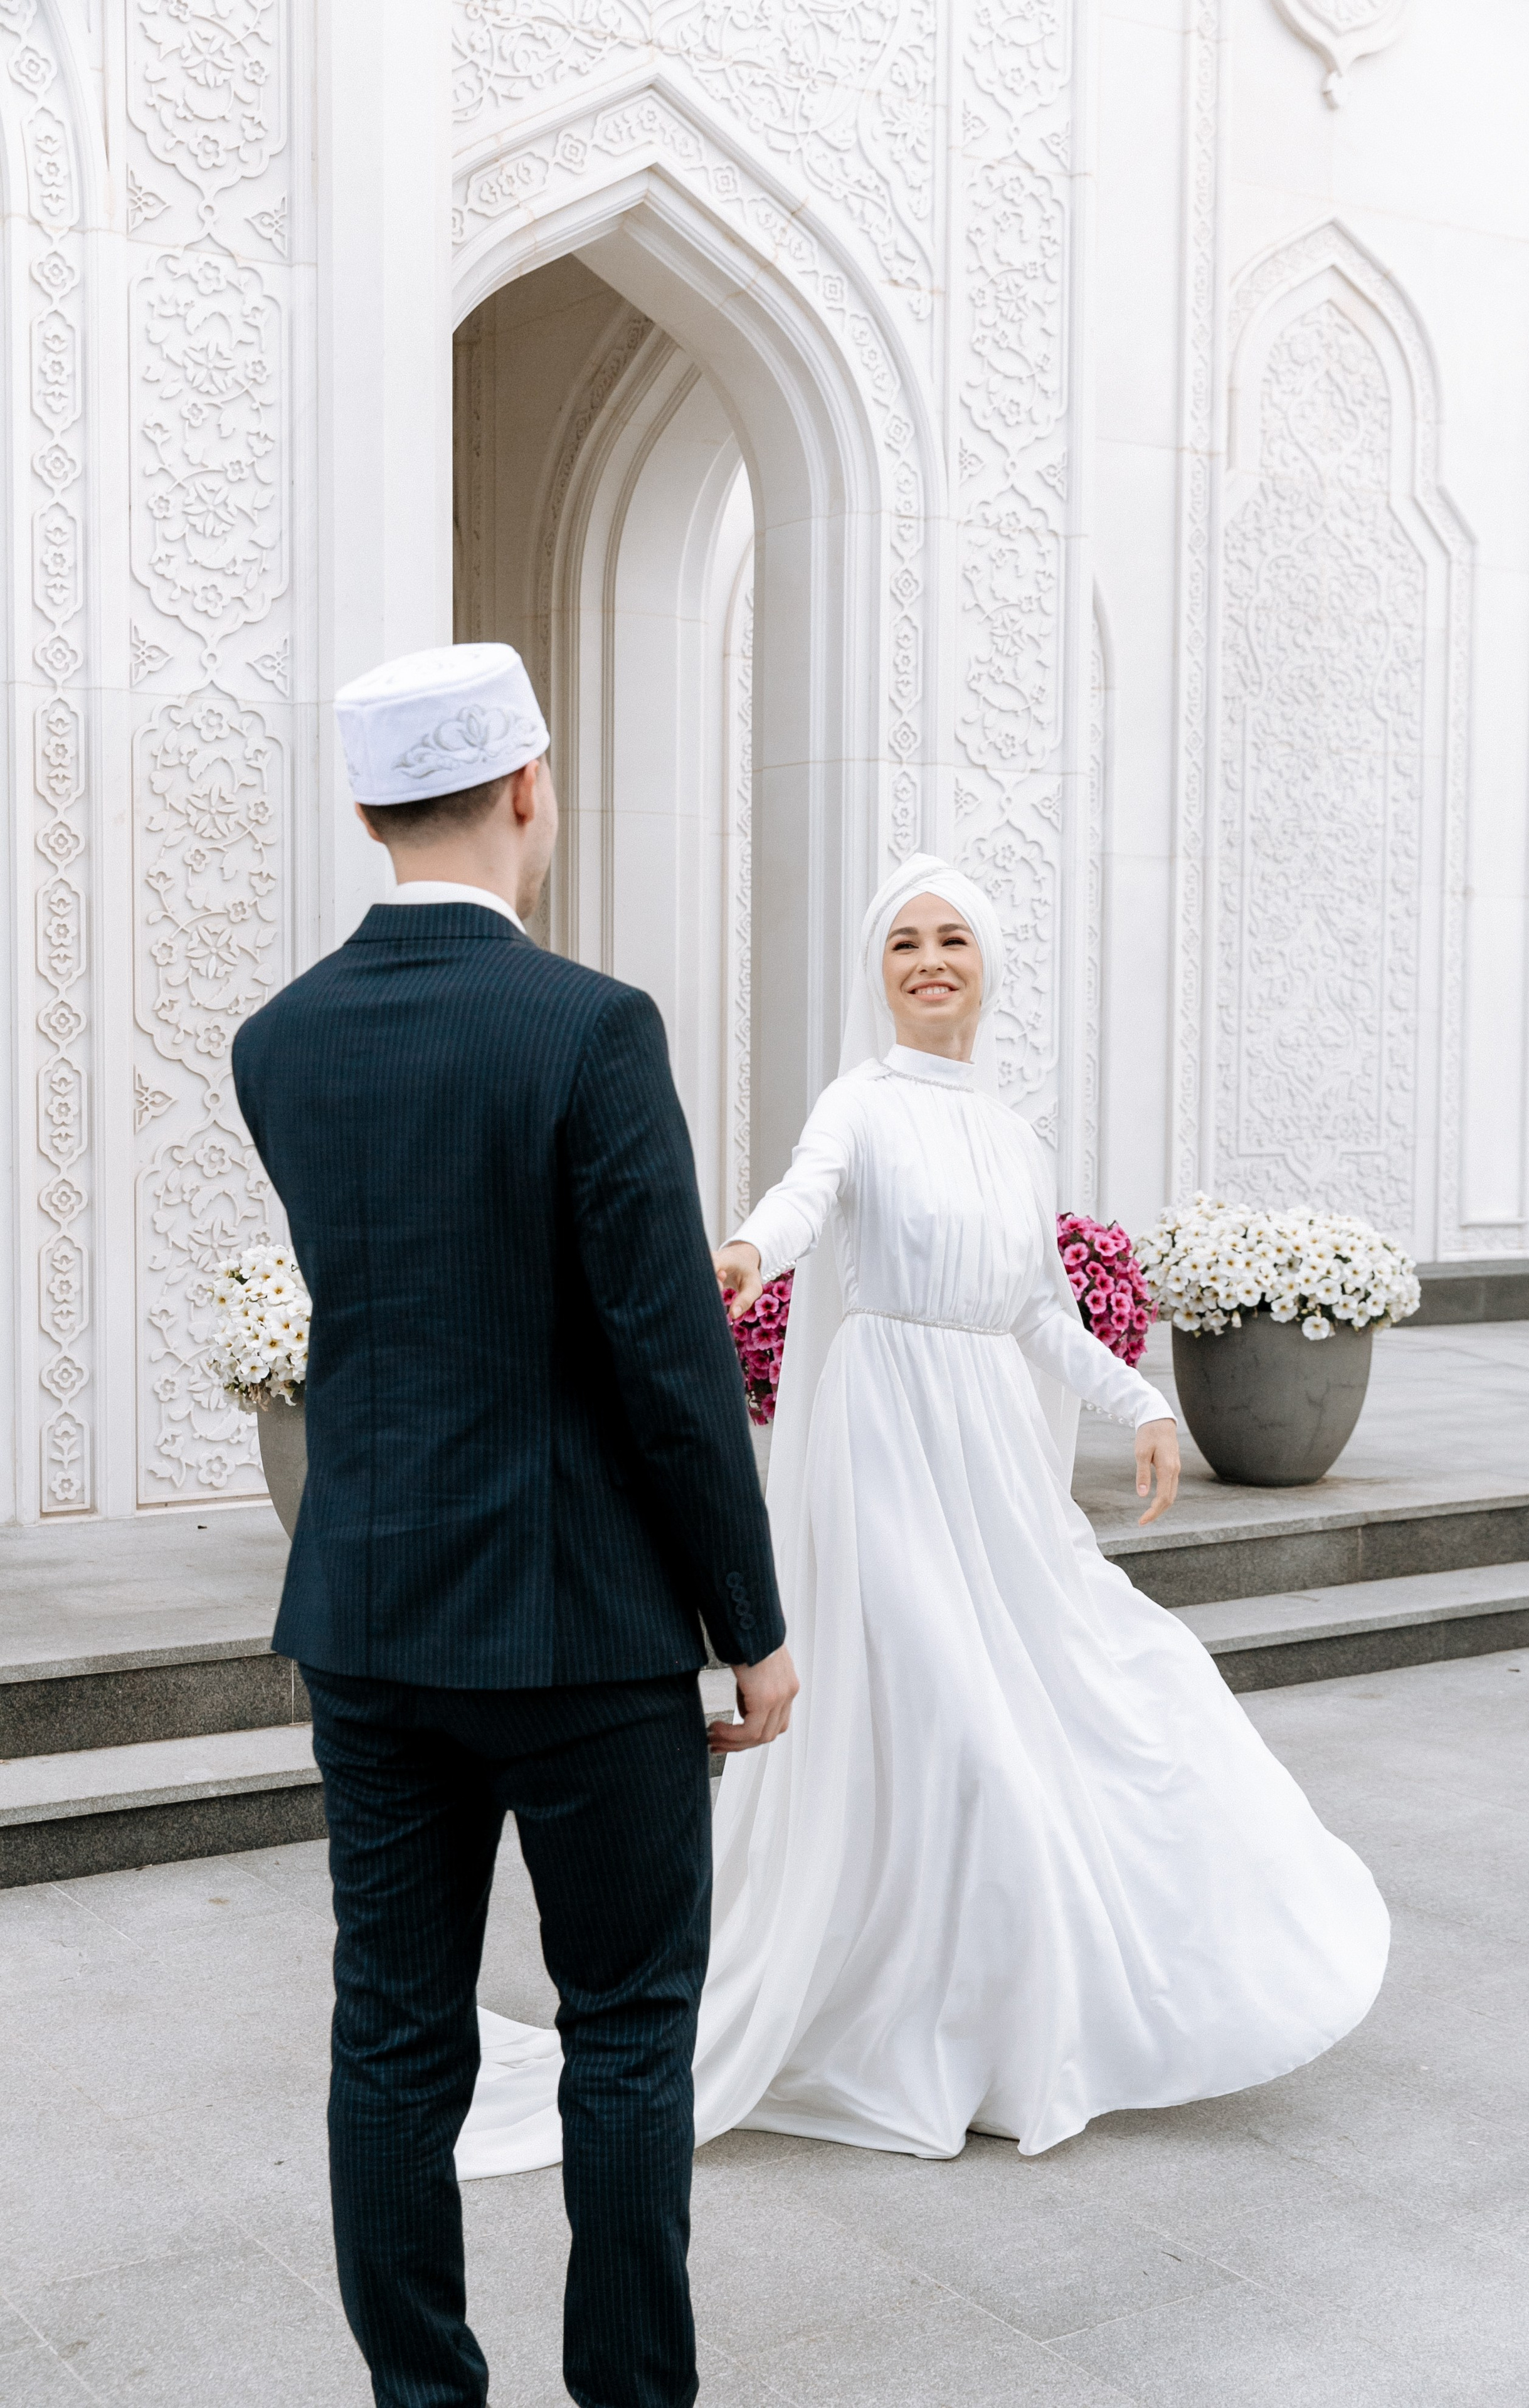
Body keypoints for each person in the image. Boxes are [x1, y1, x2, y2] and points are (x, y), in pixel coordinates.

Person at [462, 852, 1387, 2176]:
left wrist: (1140, 1405)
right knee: (954, 1722)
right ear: (878, 973)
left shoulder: (1013, 1136)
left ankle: (982, 2018)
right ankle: (929, 2023)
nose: (929, 961)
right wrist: (737, 1253)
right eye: (903, 945)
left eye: (950, 939)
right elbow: (799, 1200)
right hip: (879, 1443)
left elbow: (1035, 1316)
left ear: (986, 963)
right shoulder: (860, 1103)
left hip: (985, 1462)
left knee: (1081, 1693)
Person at [231, 640, 798, 2408]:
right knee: (626, 2032)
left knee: (389, 2035)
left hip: (374, 1617)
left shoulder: (281, 1044)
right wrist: (752, 1621)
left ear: (362, 806)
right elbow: (669, 1362)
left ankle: (425, 2402)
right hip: (582, 1623)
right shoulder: (591, 1027)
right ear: (532, 788)